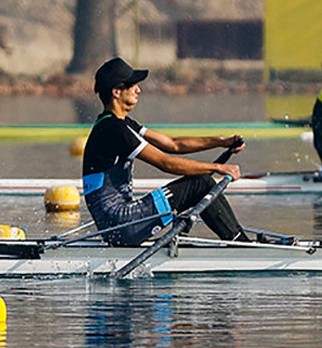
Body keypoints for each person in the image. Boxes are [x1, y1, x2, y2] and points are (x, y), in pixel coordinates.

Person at [81, 57, 250, 246]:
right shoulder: (114, 129)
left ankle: (240, 242)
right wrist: (218, 167)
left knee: (200, 182)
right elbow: (165, 163)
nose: (139, 89)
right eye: (133, 86)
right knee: (200, 183)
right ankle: (243, 245)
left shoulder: (121, 124)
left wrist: (221, 142)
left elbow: (172, 144)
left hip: (118, 225)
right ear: (116, 92)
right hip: (121, 224)